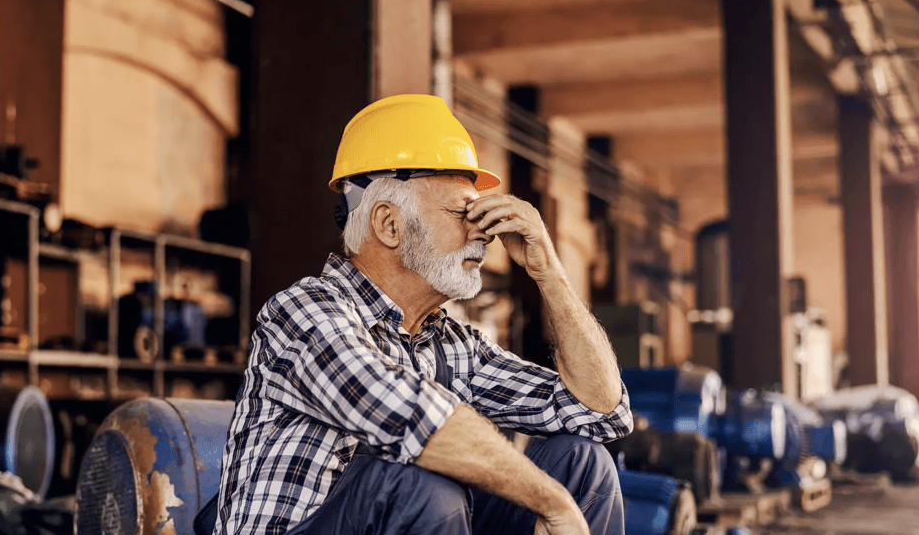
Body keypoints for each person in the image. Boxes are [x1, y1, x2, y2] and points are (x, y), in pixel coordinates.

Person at [205, 95, 633, 535]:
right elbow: (409, 419)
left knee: (583, 463)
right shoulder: (303, 313)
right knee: (419, 485)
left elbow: (601, 413)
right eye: (461, 212)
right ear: (389, 224)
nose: (482, 233)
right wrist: (552, 503)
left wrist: (549, 272)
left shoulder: (453, 347)